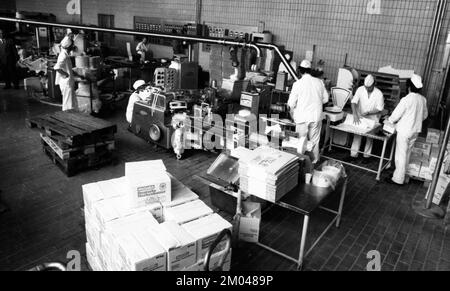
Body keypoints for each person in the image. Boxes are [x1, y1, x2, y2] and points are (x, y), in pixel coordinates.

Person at [384, 74, 428, 186]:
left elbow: (395, 115)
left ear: (409, 87)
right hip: (415, 131)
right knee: (407, 154)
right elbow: (425, 115)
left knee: (401, 155)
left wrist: (389, 120)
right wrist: (415, 120)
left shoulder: (406, 99)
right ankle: (400, 175)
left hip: (404, 131)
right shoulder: (423, 99)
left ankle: (398, 179)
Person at [287, 60, 329, 164]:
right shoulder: (319, 82)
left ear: (300, 71)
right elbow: (326, 99)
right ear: (310, 70)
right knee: (314, 141)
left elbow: (291, 103)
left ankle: (301, 162)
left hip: (302, 117)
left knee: (301, 141)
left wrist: (293, 110)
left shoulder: (297, 84)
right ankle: (314, 162)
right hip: (316, 116)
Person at [347, 75, 385, 163]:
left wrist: (369, 112)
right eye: (366, 87)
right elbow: (353, 102)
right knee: (357, 134)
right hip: (361, 116)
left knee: (369, 137)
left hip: (373, 118)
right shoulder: (360, 89)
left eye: (370, 87)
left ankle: (366, 156)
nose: (367, 89)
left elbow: (380, 109)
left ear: (374, 84)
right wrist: (355, 114)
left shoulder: (379, 93)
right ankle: (353, 155)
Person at [54, 36, 79, 111]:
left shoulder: (65, 54)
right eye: (72, 45)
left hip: (68, 82)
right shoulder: (63, 55)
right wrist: (66, 74)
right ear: (69, 46)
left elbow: (67, 68)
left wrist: (77, 74)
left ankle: (72, 117)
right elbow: (57, 68)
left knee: (71, 102)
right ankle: (68, 118)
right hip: (66, 83)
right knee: (68, 104)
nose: (73, 47)